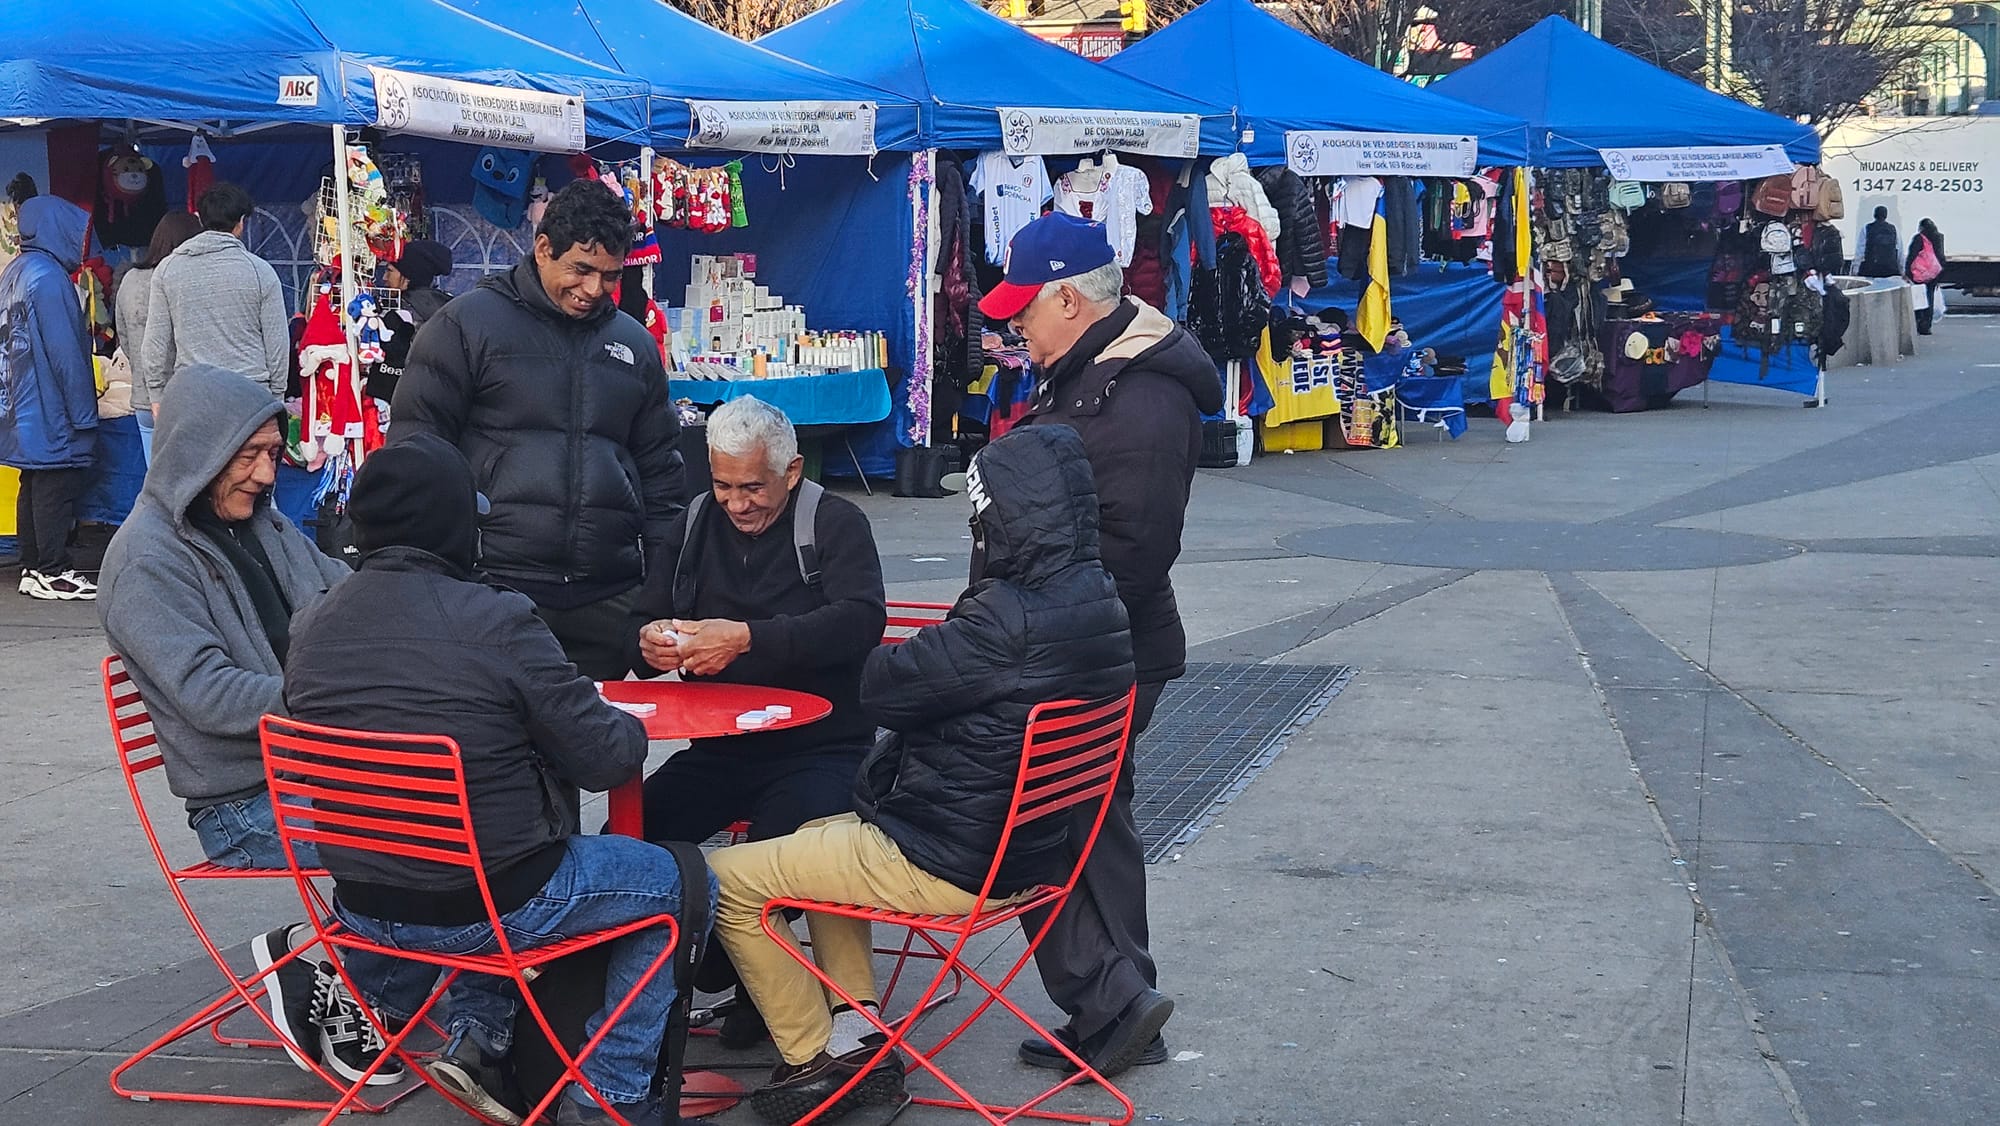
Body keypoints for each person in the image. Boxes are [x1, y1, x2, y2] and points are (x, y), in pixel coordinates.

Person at [707, 426, 1136, 1126]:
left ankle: (812, 1058)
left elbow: (880, 685)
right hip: (1027, 850)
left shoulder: (1004, 617)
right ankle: (859, 1034)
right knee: (817, 832)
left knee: (724, 878)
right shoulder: (1101, 604)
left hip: (946, 856)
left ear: (1000, 517)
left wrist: (971, 605)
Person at [285, 433, 715, 1126]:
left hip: (361, 902)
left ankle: (482, 1038)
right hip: (486, 905)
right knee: (681, 883)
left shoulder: (312, 623)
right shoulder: (498, 619)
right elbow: (606, 758)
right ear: (456, 528)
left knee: (474, 839)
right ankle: (610, 1094)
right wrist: (624, 722)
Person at [97, 361, 403, 1086]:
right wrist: (335, 695)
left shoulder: (261, 526)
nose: (269, 475)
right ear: (198, 452)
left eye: (273, 454)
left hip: (316, 764)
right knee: (419, 831)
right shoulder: (143, 559)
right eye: (250, 456)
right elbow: (209, 694)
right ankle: (329, 962)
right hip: (241, 803)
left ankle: (358, 973)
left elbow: (348, 598)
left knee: (481, 797)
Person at [976, 211, 1222, 1076]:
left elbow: (1136, 546)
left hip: (1096, 651)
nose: (1015, 327)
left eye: (1025, 311)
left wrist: (1028, 626)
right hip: (1086, 644)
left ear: (1070, 301)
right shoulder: (1092, 372)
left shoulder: (1140, 395)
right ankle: (1120, 1007)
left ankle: (1112, 1001)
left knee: (1045, 822)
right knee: (1088, 824)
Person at [629, 396, 885, 1042]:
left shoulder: (835, 522)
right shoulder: (692, 525)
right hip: (721, 749)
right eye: (722, 485)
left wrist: (747, 639)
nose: (737, 503)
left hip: (822, 748)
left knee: (778, 857)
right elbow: (648, 614)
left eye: (752, 487)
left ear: (791, 471)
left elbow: (860, 621)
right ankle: (655, 985)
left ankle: (737, 973)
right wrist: (652, 641)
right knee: (630, 838)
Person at [392, 181, 684, 679]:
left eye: (610, 277)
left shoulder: (634, 346)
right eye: (581, 269)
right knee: (499, 749)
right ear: (543, 248)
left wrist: (656, 596)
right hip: (496, 591)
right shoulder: (464, 326)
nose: (593, 290)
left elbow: (662, 480)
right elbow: (414, 461)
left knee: (603, 751)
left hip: (607, 597)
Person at [2, 195, 101, 602]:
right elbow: (66, 353)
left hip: (20, 404)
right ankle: (53, 570)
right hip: (48, 406)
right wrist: (83, 413)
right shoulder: (50, 279)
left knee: (34, 481)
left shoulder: (16, 271)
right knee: (55, 483)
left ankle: (33, 566)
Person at [140, 182, 290, 401]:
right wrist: (277, 394)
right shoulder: (260, 271)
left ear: (200, 220)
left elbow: (155, 343)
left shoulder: (167, 269)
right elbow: (277, 343)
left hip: (193, 394)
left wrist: (155, 394)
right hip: (251, 394)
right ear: (241, 223)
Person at [116, 211, 203, 463]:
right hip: (183, 397)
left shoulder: (130, 279)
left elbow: (124, 337)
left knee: (157, 483)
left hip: (143, 398)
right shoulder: (184, 280)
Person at [370, 238, 454, 407]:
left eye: (390, 271)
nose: (385, 278)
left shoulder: (405, 312)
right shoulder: (444, 304)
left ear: (408, 277)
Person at [1907, 217, 1946, 336]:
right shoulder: (1939, 237)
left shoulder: (1919, 238)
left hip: (1920, 273)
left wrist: (1907, 272)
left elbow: (1912, 255)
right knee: (1930, 298)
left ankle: (1919, 322)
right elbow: (1940, 256)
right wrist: (1940, 275)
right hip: (1934, 273)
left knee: (1919, 299)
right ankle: (1927, 326)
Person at [1860, 206, 1901, 278]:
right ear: (1886, 215)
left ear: (1874, 215)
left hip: (1871, 269)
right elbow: (1900, 250)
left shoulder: (1866, 228)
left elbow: (1860, 250)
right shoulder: (1894, 229)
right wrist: (1901, 270)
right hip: (1890, 269)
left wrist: (1855, 268)